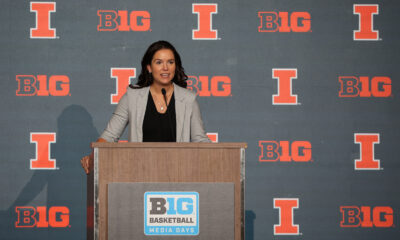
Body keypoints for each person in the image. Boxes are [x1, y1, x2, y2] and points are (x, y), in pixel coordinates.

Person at [81, 40, 210, 174]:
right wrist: (92, 157)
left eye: (170, 62)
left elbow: (200, 140)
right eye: (159, 62)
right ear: (149, 67)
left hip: (177, 173)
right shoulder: (132, 97)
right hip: (140, 173)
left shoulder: (188, 99)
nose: (165, 67)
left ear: (175, 66)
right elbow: (109, 136)